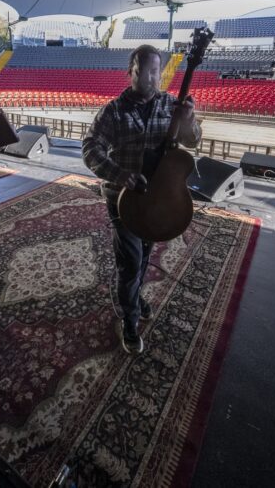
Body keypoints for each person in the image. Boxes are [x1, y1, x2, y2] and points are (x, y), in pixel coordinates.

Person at [82, 44, 202, 354]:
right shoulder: (113, 110)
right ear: (131, 72)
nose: (153, 77)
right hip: (124, 200)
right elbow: (90, 148)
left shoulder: (171, 106)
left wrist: (189, 121)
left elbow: (192, 140)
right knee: (131, 262)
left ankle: (134, 297)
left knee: (145, 253)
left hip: (159, 199)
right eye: (146, 71)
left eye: (156, 71)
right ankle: (130, 320)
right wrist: (118, 174)